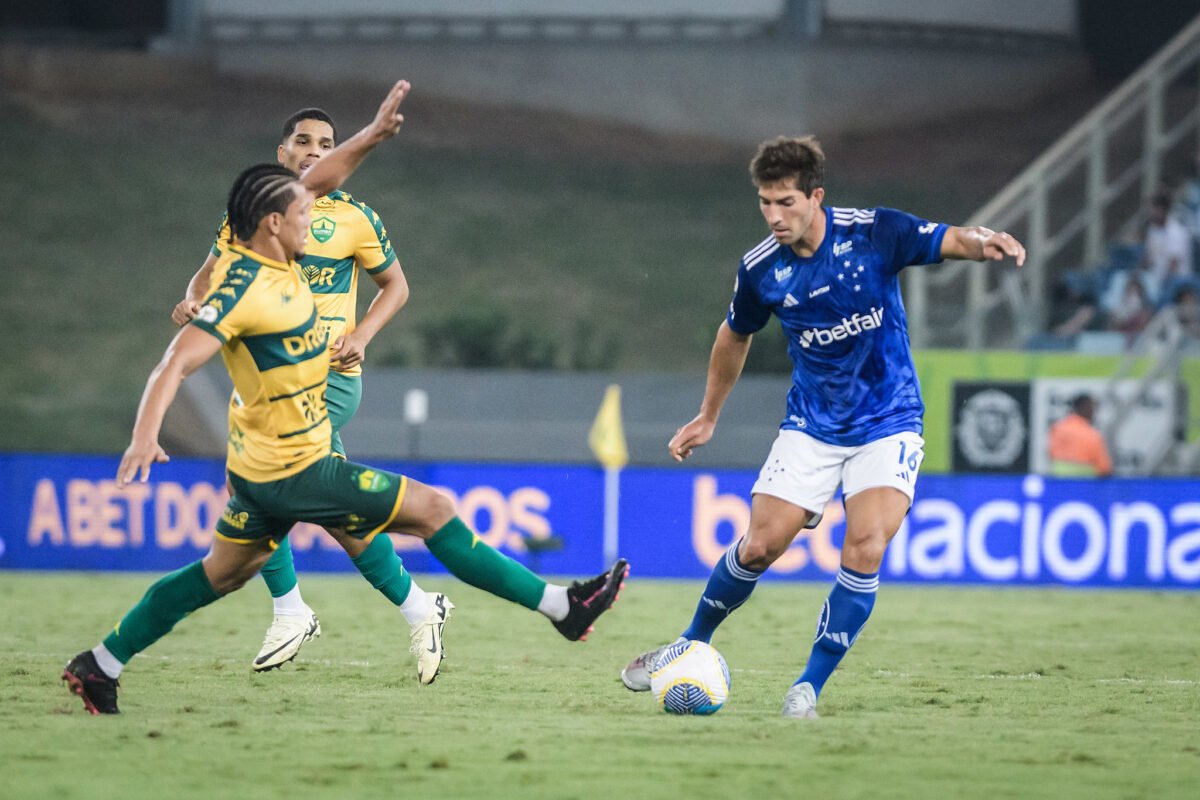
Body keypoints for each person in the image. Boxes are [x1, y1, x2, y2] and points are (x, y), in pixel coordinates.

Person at [62, 82, 628, 715]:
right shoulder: (246, 287)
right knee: (434, 508)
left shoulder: (275, 256)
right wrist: (146, 434)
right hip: (294, 466)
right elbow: (174, 363)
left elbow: (322, 179)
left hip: (260, 467)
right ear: (274, 223)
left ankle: (100, 664)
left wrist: (373, 137)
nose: (317, 219)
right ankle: (562, 608)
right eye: (304, 214)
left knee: (219, 574)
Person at [619, 135, 1025, 718]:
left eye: (786, 202)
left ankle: (806, 688)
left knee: (865, 544)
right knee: (760, 545)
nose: (774, 216)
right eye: (765, 203)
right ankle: (689, 643)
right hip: (812, 425)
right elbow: (734, 335)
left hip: (889, 419)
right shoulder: (762, 270)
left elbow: (949, 238)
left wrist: (983, 242)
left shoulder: (874, 232)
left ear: (816, 196)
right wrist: (709, 415)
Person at [171, 107, 413, 673]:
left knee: (266, 487)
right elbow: (204, 279)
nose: (313, 149)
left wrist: (363, 332)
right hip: (270, 379)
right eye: (302, 140)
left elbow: (396, 286)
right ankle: (416, 605)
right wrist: (194, 303)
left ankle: (293, 609)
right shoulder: (254, 220)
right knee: (306, 497)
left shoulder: (356, 219)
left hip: (331, 376)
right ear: (281, 153)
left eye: (325, 142)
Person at [1047, 394, 1113, 476]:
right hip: (1085, 484)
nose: (1094, 412)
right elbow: (1104, 468)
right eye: (1092, 407)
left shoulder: (1058, 428)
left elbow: (1051, 454)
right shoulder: (1092, 434)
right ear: (1083, 407)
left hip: (1058, 483)